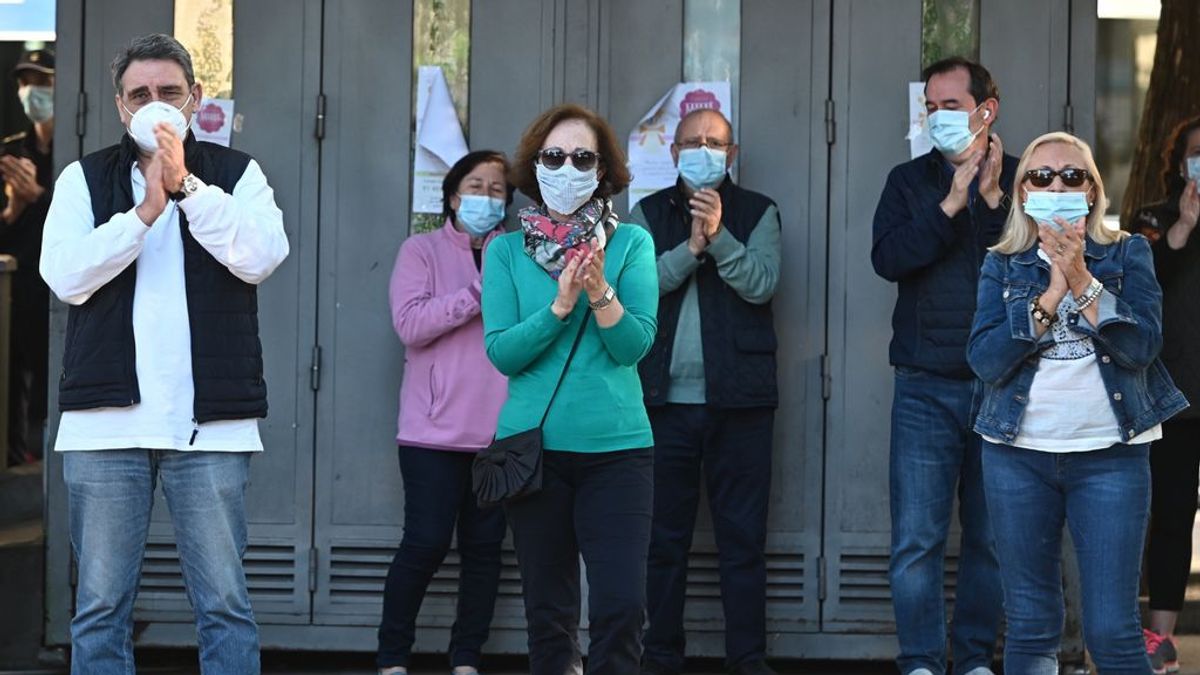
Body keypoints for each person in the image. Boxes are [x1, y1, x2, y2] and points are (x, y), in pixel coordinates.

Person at [39, 34, 289, 674]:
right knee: (98, 609)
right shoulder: (81, 177)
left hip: (212, 427)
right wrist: (146, 211)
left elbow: (262, 256)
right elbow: (65, 276)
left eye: (169, 92)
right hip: (105, 424)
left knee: (226, 606)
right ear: (122, 108)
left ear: (195, 98)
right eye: (140, 94)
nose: (155, 104)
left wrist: (186, 189)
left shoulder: (237, 173)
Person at [968, 131, 1187, 674]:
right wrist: (1048, 297)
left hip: (1111, 455)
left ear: (1092, 191)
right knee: (1031, 624)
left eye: (1073, 175)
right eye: (1041, 176)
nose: (1057, 184)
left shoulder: (1128, 251)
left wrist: (1084, 280)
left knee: (1112, 631)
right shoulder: (1002, 263)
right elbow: (986, 360)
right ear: (1022, 193)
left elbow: (1141, 347)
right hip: (1017, 455)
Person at [481, 103, 658, 674]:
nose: (567, 168)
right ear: (535, 166)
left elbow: (633, 347)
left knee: (622, 606)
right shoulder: (505, 251)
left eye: (583, 157)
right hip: (535, 454)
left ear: (602, 170)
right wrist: (559, 305)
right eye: (554, 156)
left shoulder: (630, 244)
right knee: (549, 612)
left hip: (618, 452)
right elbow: (503, 353)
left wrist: (601, 292)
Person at [870, 56, 1015, 675]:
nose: (937, 117)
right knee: (917, 542)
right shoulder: (908, 182)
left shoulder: (1025, 182)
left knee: (989, 539)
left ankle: (976, 658)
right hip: (925, 386)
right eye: (930, 107)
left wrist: (988, 202)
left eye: (949, 106)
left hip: (1003, 384)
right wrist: (951, 204)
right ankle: (921, 661)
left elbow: (1023, 269)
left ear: (987, 110)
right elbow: (889, 258)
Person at [632, 108, 781, 675]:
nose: (702, 151)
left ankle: (746, 657)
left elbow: (762, 285)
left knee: (742, 542)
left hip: (740, 404)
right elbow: (640, 288)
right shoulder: (646, 214)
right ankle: (662, 655)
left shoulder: (758, 211)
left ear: (732, 153)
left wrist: (718, 239)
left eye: (713, 143)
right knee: (662, 540)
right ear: (673, 153)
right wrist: (691, 249)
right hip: (661, 404)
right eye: (692, 142)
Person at [377, 150, 513, 675]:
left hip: (500, 434)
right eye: (475, 187)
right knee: (425, 544)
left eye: (497, 189)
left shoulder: (518, 254)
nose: (485, 197)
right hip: (431, 434)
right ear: (454, 196)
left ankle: (466, 658)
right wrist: (479, 291)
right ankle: (392, 657)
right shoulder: (421, 251)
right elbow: (411, 324)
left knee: (484, 551)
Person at [1130, 114, 1200, 674]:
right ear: (1179, 163)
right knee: (1171, 517)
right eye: (1196, 154)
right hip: (1172, 397)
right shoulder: (1152, 219)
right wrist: (1180, 230)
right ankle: (1161, 640)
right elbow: (1137, 288)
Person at [0, 48, 56, 465]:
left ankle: (43, 457)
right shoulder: (12, 152)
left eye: (41, 81)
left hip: (55, 283)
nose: (30, 91)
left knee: (47, 374)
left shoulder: (75, 145)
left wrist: (38, 196)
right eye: (24, 82)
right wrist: (15, 207)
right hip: (16, 285)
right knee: (10, 373)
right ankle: (15, 458)